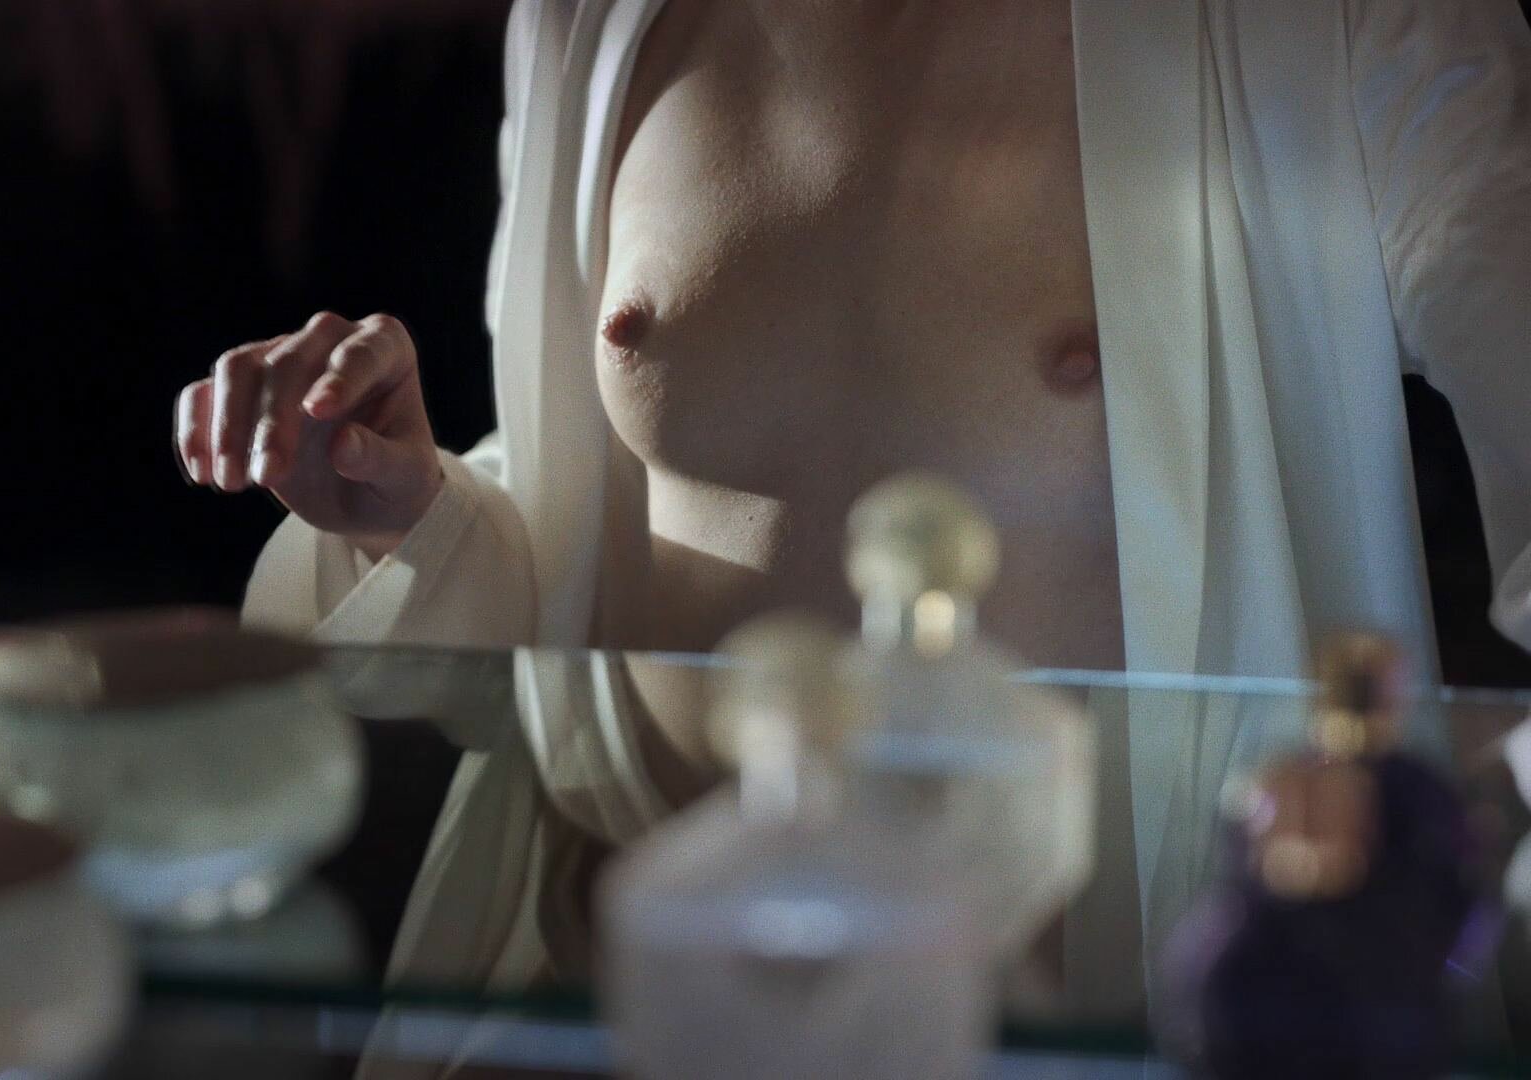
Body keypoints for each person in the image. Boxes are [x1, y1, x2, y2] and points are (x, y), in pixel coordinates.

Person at [174, 0, 1531, 1043]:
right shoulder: (593, 23)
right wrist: (410, 505)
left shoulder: (1331, 22)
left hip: (1082, 1023)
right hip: (615, 985)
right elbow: (586, 527)